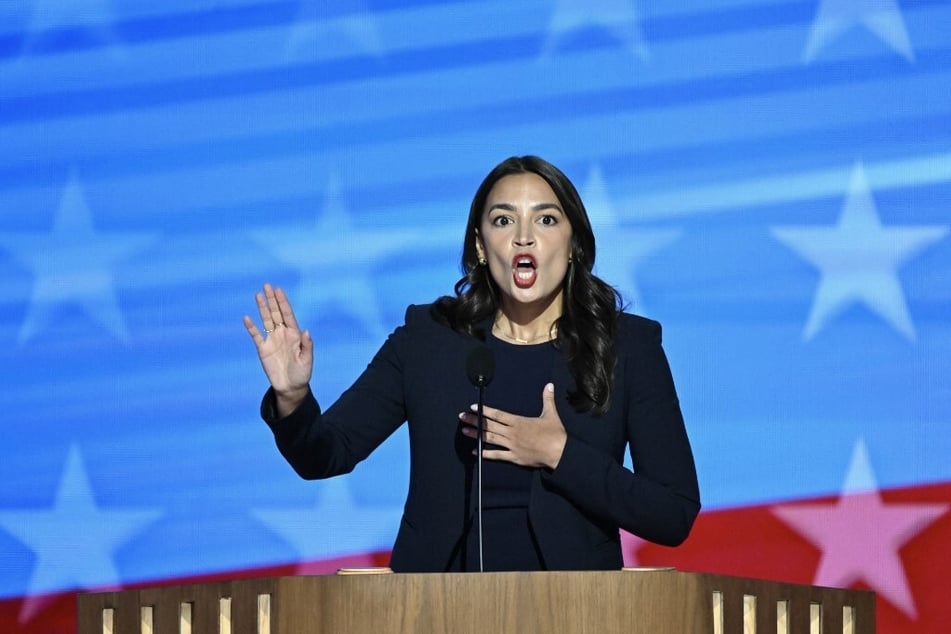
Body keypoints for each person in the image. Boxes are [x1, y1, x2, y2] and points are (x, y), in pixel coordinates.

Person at [244, 155, 700, 573]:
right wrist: (293, 397)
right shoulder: (428, 341)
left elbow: (672, 513)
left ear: (575, 242)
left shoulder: (628, 347)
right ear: (482, 246)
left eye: (546, 218)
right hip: (437, 613)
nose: (524, 236)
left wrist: (559, 455)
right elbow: (325, 454)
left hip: (578, 613)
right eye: (504, 220)